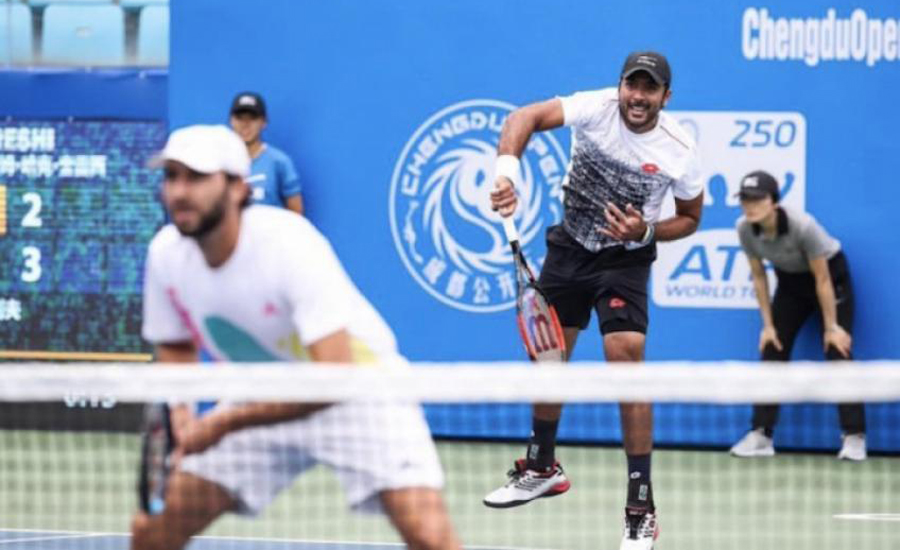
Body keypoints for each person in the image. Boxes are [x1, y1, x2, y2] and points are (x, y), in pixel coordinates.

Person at [130, 125, 461, 550]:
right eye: (171, 176)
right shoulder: (166, 255)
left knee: (429, 536)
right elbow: (175, 345)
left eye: (195, 178)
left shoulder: (289, 244)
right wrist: (181, 412)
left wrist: (222, 421)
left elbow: (333, 377)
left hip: (359, 394)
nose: (178, 191)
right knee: (152, 532)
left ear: (237, 188)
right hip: (260, 397)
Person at [486, 51, 703, 550]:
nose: (638, 97)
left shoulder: (679, 149)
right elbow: (524, 118)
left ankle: (640, 508)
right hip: (570, 249)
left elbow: (691, 216)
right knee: (549, 357)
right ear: (621, 86)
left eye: (650, 90)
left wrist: (647, 230)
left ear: (665, 97)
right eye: (633, 86)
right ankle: (542, 467)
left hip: (624, 260)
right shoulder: (595, 107)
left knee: (624, 362)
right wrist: (508, 176)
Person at [729, 170, 866, 461]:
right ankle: (761, 436)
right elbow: (758, 277)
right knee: (772, 347)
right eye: (745, 200)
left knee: (837, 349)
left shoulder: (803, 226)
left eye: (757, 199)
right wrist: (767, 326)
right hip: (790, 283)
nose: (750, 205)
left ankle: (854, 437)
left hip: (830, 277)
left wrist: (831, 327)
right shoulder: (744, 228)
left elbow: (823, 280)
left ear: (774, 201)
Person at [229, 91, 304, 214]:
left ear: (264, 122)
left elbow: (296, 213)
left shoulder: (279, 162)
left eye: (252, 118)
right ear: (231, 121)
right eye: (240, 118)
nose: (245, 125)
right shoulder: (222, 163)